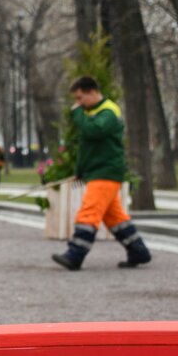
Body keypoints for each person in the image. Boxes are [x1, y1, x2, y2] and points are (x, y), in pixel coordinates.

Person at [51, 76, 151, 271]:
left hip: (105, 172)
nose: (77, 104)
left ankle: (75, 255)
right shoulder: (96, 112)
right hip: (100, 171)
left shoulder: (108, 111)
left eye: (80, 98)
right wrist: (81, 172)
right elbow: (89, 145)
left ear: (92, 92)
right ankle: (138, 251)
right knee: (116, 218)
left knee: (89, 212)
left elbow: (94, 132)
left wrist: (78, 115)